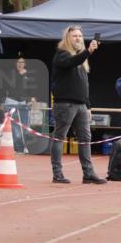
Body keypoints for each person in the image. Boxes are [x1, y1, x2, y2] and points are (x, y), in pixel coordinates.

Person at [50, 25, 106, 185]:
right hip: (65, 104)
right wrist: (88, 51)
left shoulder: (81, 59)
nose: (78, 38)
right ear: (67, 38)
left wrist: (88, 106)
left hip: (81, 105)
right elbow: (71, 62)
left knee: (85, 139)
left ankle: (88, 174)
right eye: (75, 36)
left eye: (80, 36)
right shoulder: (62, 55)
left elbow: (84, 84)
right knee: (59, 137)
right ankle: (57, 173)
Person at [2, 55, 32, 153]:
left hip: (23, 102)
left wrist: (32, 98)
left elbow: (31, 89)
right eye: (18, 62)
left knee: (24, 126)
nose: (20, 64)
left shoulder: (29, 76)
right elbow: (11, 86)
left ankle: (23, 147)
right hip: (11, 101)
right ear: (15, 64)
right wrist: (21, 75)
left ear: (25, 64)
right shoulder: (11, 73)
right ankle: (13, 148)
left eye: (22, 62)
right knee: (13, 127)